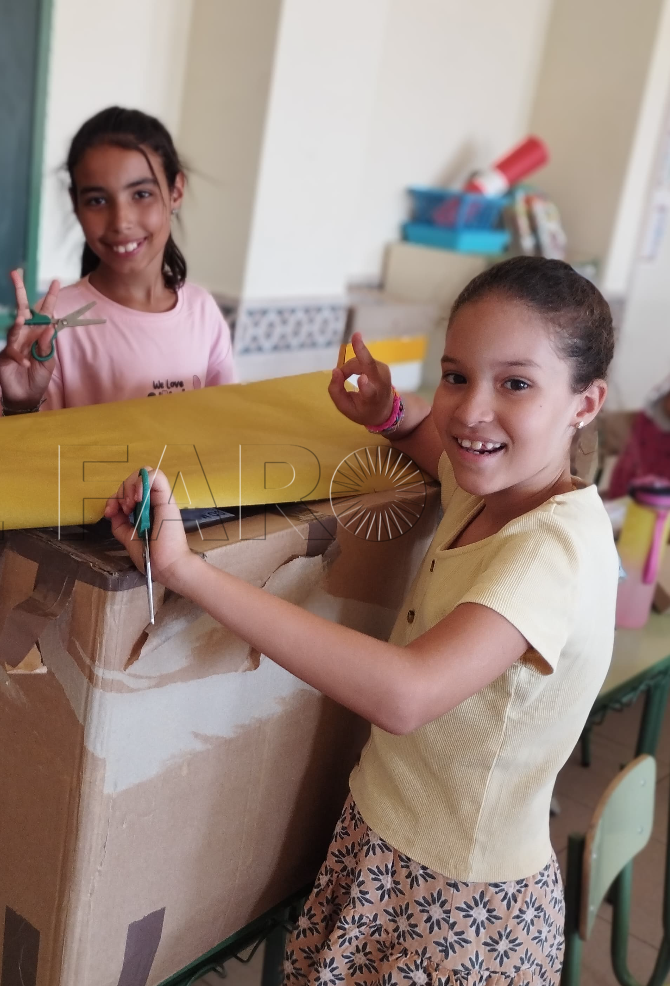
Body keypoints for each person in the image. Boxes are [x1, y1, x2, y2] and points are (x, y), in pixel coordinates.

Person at [106, 256, 617, 985]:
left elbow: (406, 694)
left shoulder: (549, 553)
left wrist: (188, 571)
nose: (471, 411)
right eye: (456, 376)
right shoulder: (494, 490)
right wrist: (386, 411)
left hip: (454, 906)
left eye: (516, 384)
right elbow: (441, 446)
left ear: (585, 402)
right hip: (384, 846)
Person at [0, 106, 235, 417]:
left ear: (176, 191)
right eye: (98, 200)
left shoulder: (203, 312)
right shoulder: (53, 324)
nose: (121, 221)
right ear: (76, 204)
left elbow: (224, 425)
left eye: (141, 194)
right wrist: (21, 405)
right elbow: (9, 444)